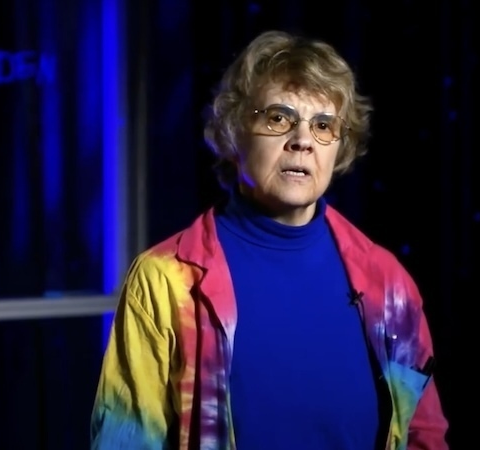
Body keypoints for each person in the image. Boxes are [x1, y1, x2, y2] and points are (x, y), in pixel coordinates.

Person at [91, 30, 449, 450]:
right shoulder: (165, 281)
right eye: (278, 118)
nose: (301, 141)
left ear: (341, 145)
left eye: (323, 126)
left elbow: (424, 435)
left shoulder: (387, 281)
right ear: (232, 132)